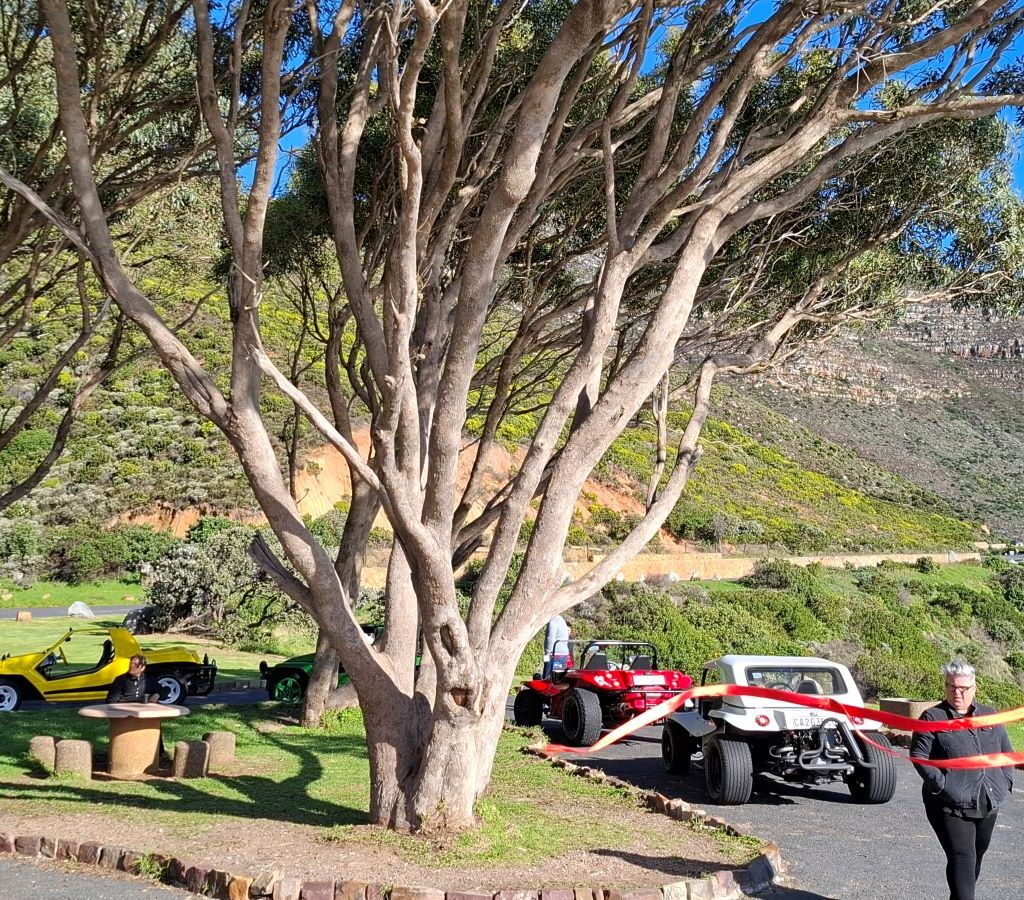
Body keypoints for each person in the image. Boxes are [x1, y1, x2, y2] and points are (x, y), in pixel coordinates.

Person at [910, 658, 1014, 900]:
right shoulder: (932, 718)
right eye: (951, 686)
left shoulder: (989, 715)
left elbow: (1006, 752)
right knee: (962, 856)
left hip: (988, 800)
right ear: (945, 686)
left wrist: (1005, 781)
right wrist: (943, 785)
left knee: (976, 855)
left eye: (963, 688)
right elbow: (918, 755)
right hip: (949, 804)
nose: (957, 693)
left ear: (973, 688)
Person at [542, 614, 571, 679]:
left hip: (554, 653)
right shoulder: (561, 620)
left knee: (547, 679)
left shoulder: (553, 622)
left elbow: (550, 638)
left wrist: (547, 653)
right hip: (563, 653)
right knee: (558, 679)